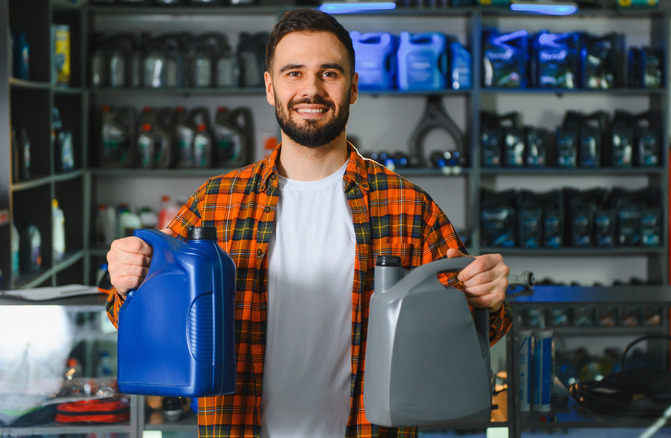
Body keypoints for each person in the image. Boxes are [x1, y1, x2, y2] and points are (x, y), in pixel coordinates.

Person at [105, 8, 512, 438]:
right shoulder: (217, 203)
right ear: (270, 87)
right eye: (294, 73)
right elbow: (134, 314)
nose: (311, 90)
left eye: (329, 73)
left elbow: (476, 334)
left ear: (353, 87)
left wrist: (488, 298)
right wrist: (127, 278)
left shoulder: (408, 207)